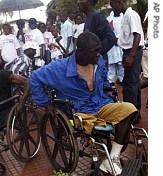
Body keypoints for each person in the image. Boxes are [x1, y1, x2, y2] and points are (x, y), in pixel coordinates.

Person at [30, 31, 138, 175]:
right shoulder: (59, 68)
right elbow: (34, 78)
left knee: (129, 109)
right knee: (94, 125)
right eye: (94, 51)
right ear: (80, 51)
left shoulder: (99, 62)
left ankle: (113, 158)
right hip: (78, 111)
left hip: (100, 104)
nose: (98, 54)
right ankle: (107, 156)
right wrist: (46, 103)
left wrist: (108, 93)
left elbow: (104, 82)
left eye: (99, 50)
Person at [110, 0, 144, 123]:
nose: (113, 9)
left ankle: (131, 115)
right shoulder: (126, 16)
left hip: (132, 51)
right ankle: (135, 113)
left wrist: (131, 56)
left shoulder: (131, 15)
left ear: (120, 2)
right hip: (128, 51)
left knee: (130, 85)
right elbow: (125, 39)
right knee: (132, 83)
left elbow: (137, 36)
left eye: (113, 6)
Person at [106, 10, 124, 86]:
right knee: (111, 67)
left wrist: (119, 40)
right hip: (111, 46)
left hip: (121, 45)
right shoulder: (108, 19)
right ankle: (110, 83)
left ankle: (122, 80)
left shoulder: (124, 18)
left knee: (121, 66)